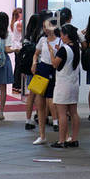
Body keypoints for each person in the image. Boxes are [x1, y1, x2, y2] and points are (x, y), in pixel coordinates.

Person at [49, 24, 82, 149]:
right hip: (73, 83)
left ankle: (61, 140)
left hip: (63, 84)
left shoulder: (64, 49)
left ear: (66, 35)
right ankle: (74, 139)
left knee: (62, 114)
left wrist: (53, 52)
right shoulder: (76, 47)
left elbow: (55, 64)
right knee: (74, 112)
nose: (61, 37)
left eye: (62, 34)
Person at [31, 16, 58, 145]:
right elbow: (36, 53)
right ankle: (42, 135)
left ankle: (57, 124)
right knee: (39, 102)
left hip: (54, 71)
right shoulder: (42, 40)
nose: (45, 29)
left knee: (53, 100)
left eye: (47, 26)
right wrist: (34, 63)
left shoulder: (59, 41)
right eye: (44, 27)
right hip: (42, 69)